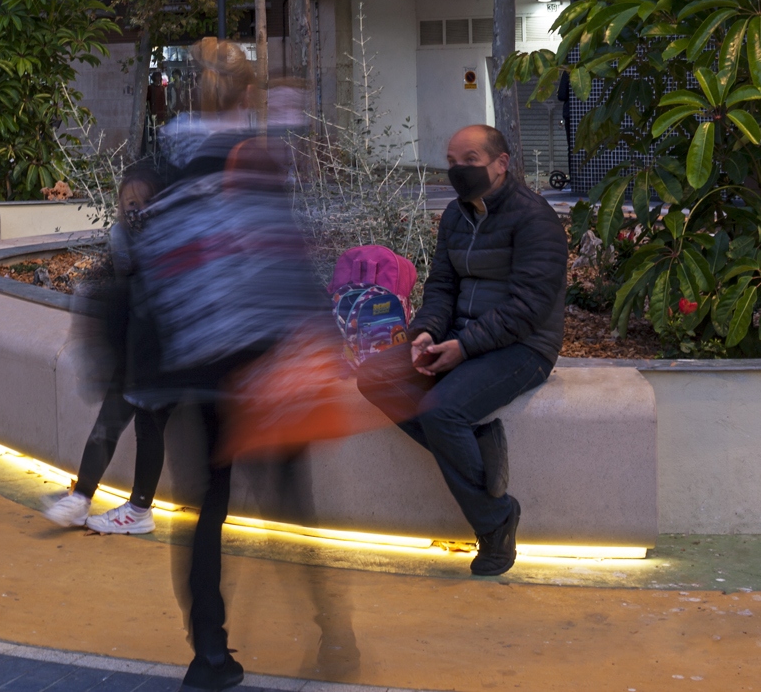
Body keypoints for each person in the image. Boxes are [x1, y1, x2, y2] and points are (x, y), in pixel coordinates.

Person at [128, 39, 331, 691]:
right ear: (248, 95)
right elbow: (283, 254)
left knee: (205, 511)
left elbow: (138, 257)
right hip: (260, 363)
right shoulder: (255, 158)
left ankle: (209, 652)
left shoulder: (161, 159)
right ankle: (331, 632)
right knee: (290, 505)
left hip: (192, 368)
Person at [355, 124, 568, 577]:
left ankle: (495, 522)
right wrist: (426, 333)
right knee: (375, 376)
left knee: (441, 411)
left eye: (470, 161)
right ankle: (478, 445)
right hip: (459, 337)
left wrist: (464, 347)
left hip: (523, 347)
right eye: (452, 162)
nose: (458, 170)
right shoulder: (455, 216)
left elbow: (529, 308)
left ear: (501, 163)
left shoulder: (535, 219)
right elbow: (442, 286)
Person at [47, 166, 171, 535]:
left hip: (162, 359)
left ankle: (140, 509)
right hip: (131, 353)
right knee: (107, 424)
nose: (136, 210)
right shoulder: (122, 239)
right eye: (129, 202)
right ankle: (81, 498)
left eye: (144, 202)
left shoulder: (170, 243)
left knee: (149, 430)